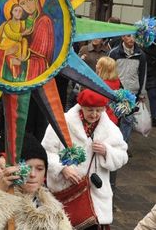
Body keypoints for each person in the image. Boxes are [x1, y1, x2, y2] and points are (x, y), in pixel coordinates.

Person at [42, 89, 128, 228]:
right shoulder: (62, 123)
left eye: (99, 110)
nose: (94, 114)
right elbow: (45, 152)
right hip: (65, 193)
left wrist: (107, 151)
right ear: (81, 106)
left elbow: (123, 156)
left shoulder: (110, 129)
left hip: (96, 198)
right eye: (90, 110)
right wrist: (62, 168)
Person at [109, 34, 147, 144]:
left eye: (133, 36)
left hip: (132, 93)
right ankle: (112, 142)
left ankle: (123, 144)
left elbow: (143, 74)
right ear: (122, 38)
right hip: (116, 92)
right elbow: (108, 71)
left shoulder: (141, 55)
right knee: (113, 118)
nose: (131, 39)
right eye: (128, 36)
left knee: (128, 120)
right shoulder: (114, 53)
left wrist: (142, 93)